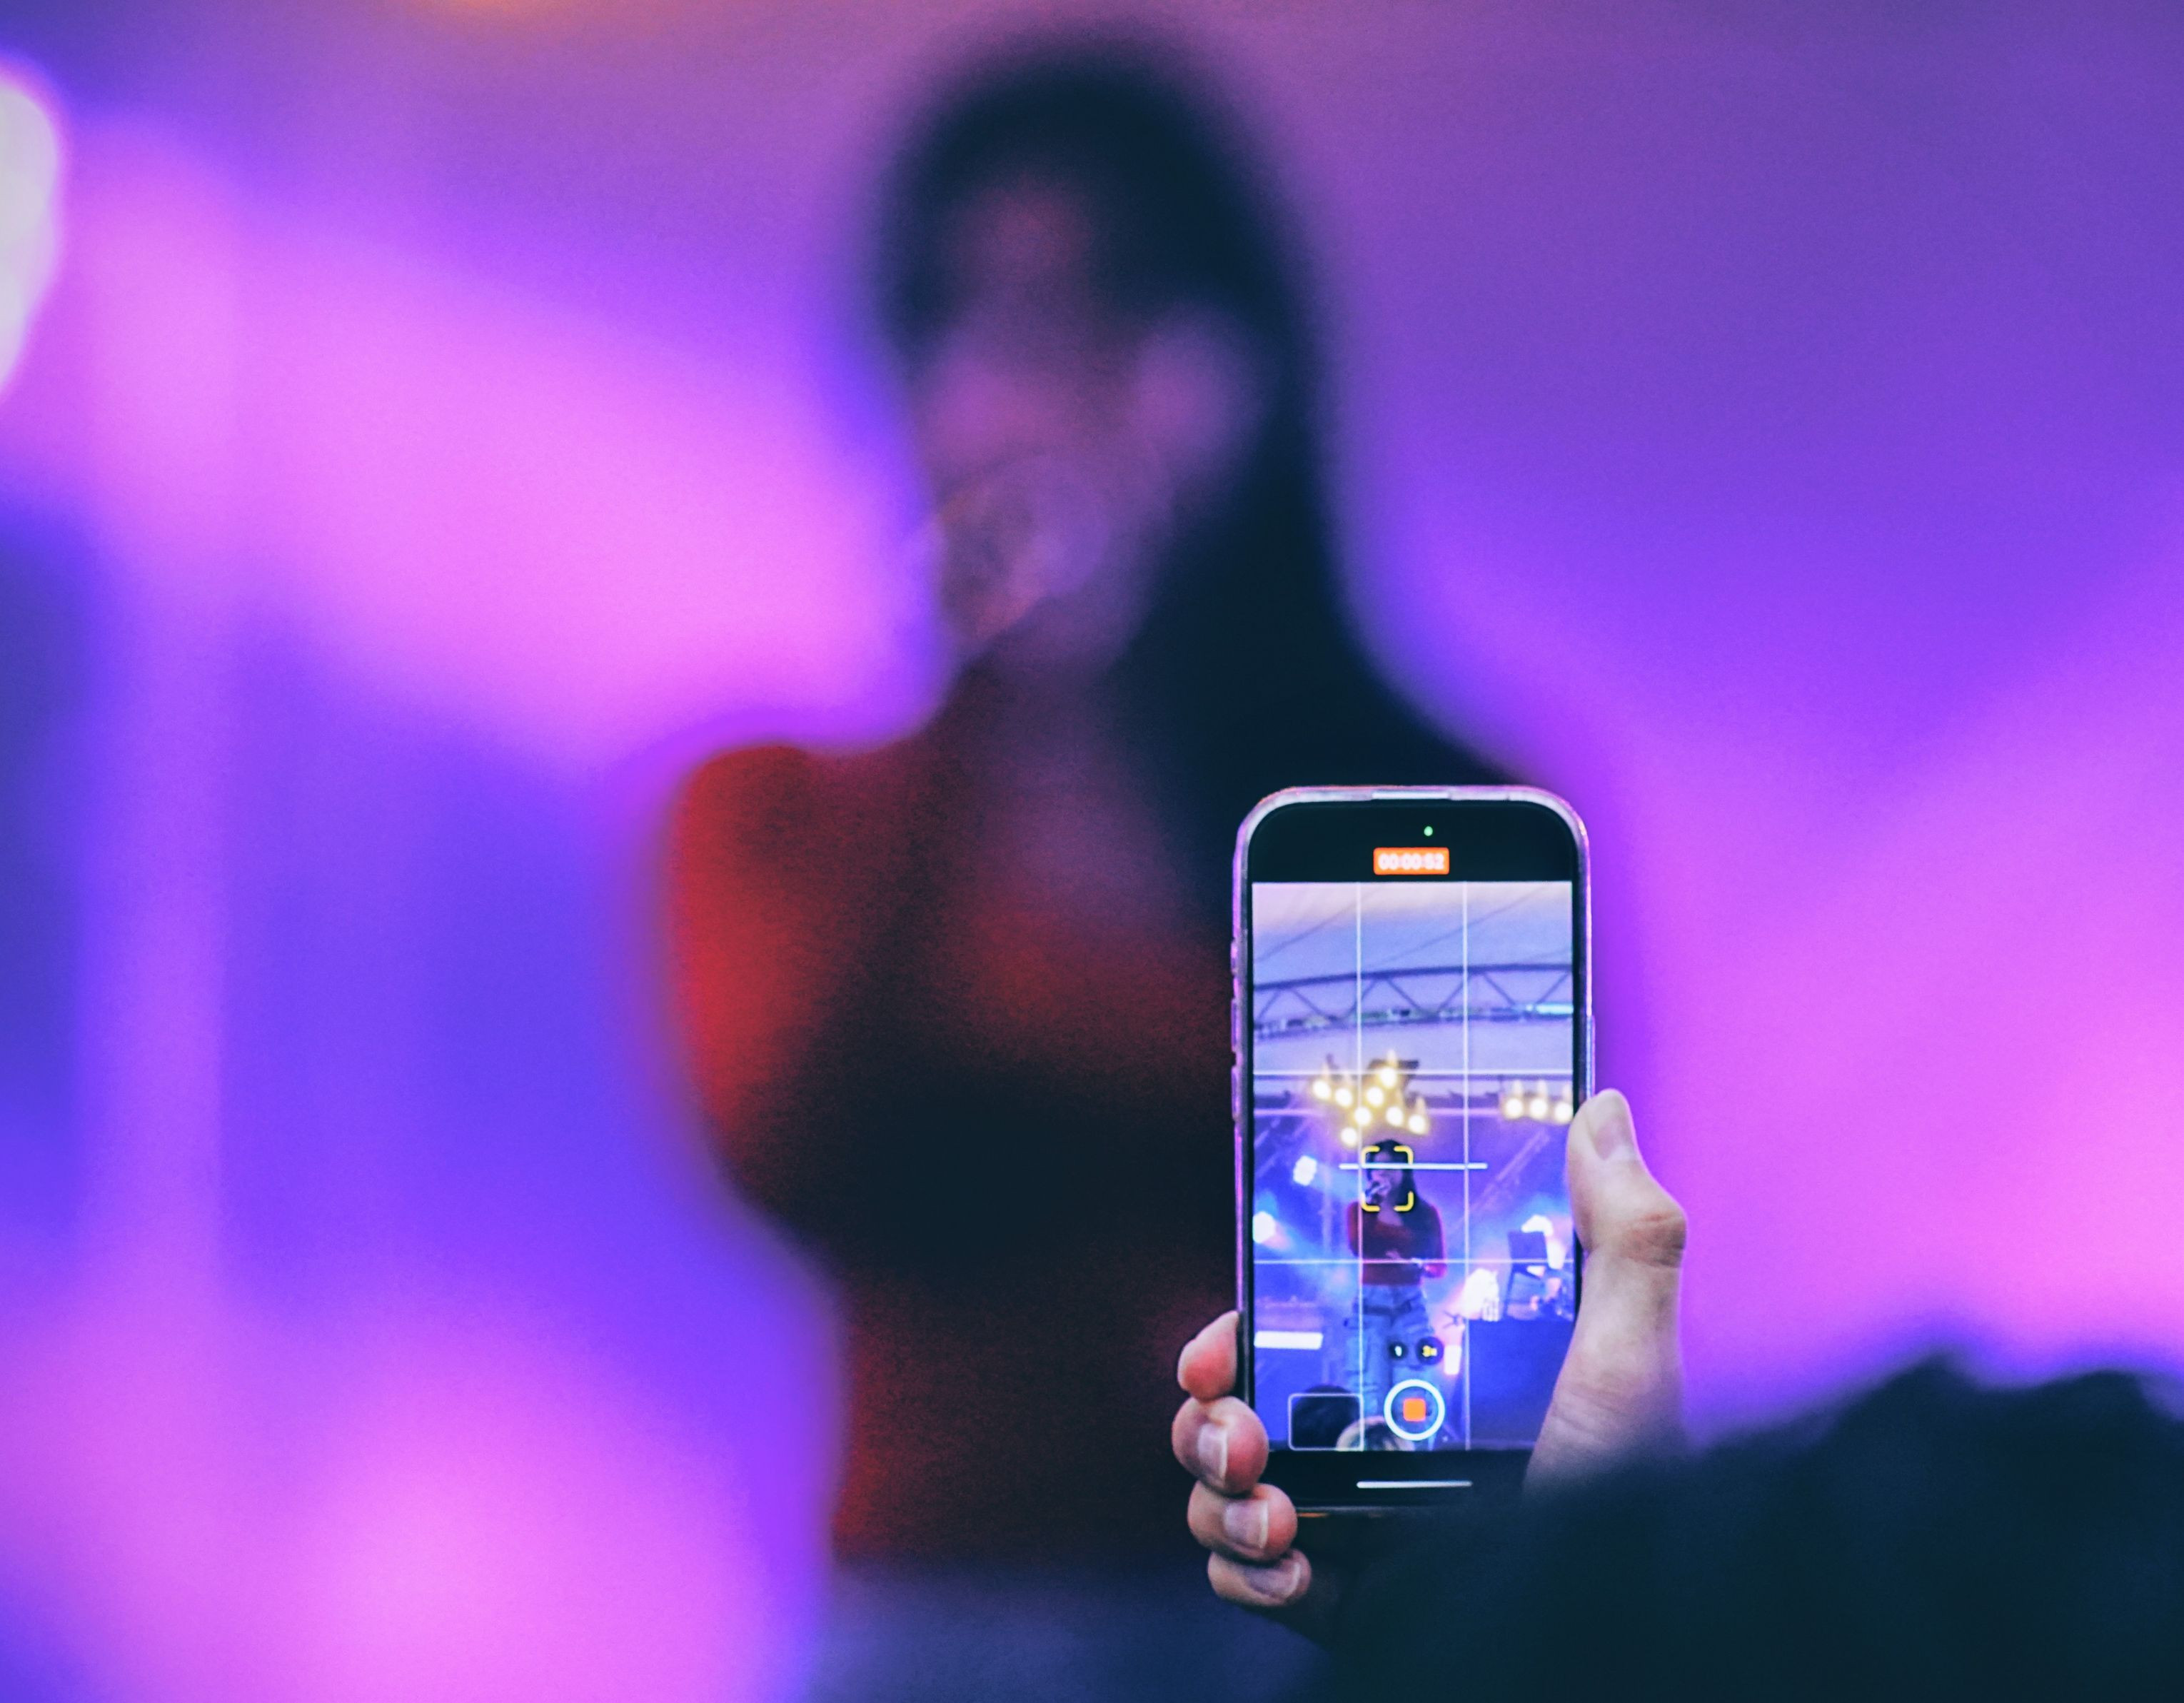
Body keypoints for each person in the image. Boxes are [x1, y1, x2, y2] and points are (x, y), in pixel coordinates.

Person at [668, 30, 1506, 1600]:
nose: (1039, 386)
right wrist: (988, 666)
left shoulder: (1411, 816)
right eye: (981, 317)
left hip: (1315, 1613)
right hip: (944, 1620)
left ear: (1232, 373)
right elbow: (786, 1141)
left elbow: (1450, 1274)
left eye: (1099, 310)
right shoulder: (787, 811)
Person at [1174, 1094, 2184, 1695]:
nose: (1380, 1182)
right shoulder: (1357, 1217)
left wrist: (1528, 1615)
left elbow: (1430, 1265)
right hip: (1374, 1329)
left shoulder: (1419, 1220)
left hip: (1409, 1325)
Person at [1341, 1142, 1446, 1435]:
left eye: (1390, 1166)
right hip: (1370, 1310)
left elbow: (1439, 1266)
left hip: (1410, 1309)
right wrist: (1371, 1207)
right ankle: (1372, 1453)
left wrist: (1414, 1265)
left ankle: (1412, 1453)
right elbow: (1357, 1247)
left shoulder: (1425, 1214)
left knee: (1413, 1394)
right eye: (1377, 1167)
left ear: (1404, 1171)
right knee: (1368, 1392)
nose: (1383, 1172)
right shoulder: (1358, 1210)